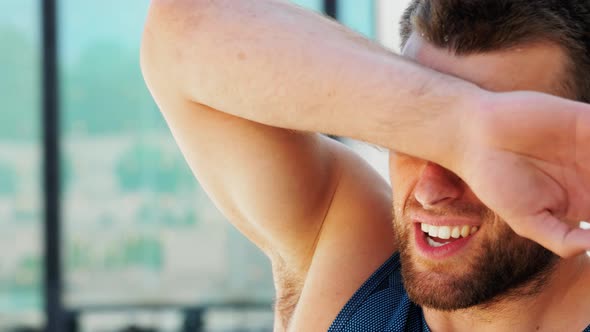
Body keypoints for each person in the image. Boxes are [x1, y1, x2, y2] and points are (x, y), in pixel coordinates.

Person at [140, 0, 590, 330]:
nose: (433, 188)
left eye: (509, 149)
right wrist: (457, 123)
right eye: (415, 135)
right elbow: (182, 26)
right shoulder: (346, 252)